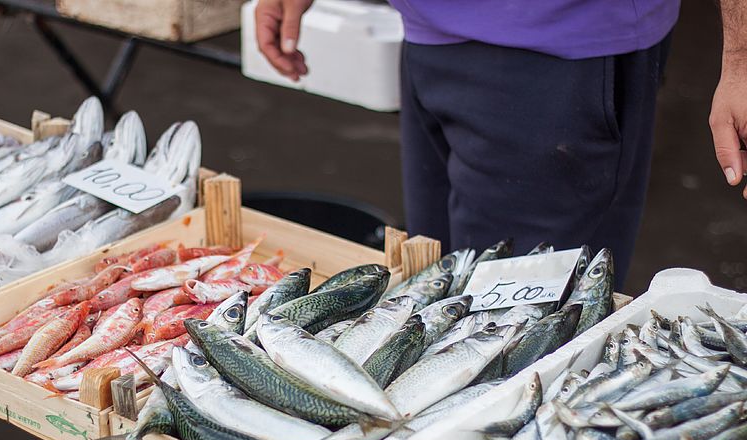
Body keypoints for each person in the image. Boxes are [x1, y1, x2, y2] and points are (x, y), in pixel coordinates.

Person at [256, 1, 746, 290]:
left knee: (519, 345)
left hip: (563, 55)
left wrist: (743, 58)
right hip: (429, 32)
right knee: (441, 299)